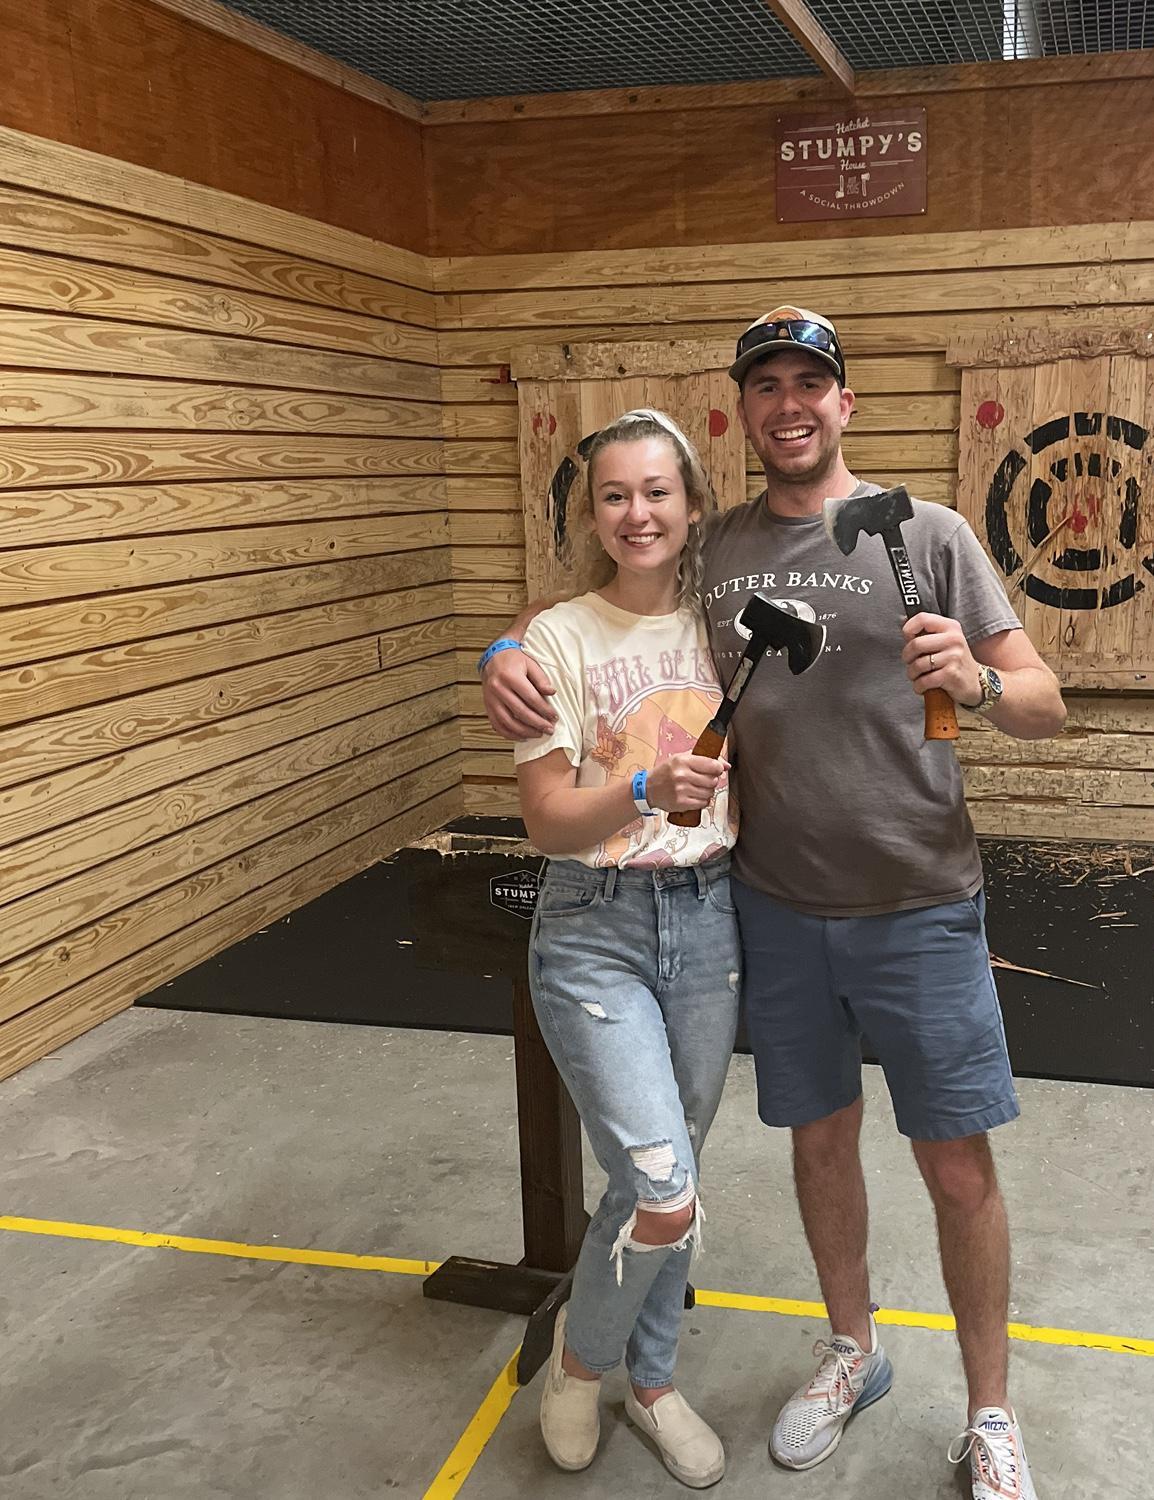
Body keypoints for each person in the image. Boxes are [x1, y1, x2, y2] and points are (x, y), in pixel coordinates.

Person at [486, 311, 1067, 1500]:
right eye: (767, 387)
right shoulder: (718, 555)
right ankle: (851, 1353)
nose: (790, 404)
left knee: (957, 1168)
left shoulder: (929, 533)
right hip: (770, 910)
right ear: (742, 415)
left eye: (814, 382)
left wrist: (980, 683)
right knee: (821, 1146)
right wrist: (506, 650)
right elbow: (612, 601)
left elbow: (1045, 697)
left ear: (846, 403)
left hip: (918, 902)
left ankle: (993, 1412)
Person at [510, 408, 739, 1490]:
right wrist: (645, 787)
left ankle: (652, 1385)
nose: (637, 512)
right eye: (614, 494)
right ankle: (582, 1364)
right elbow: (549, 822)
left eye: (658, 491)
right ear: (591, 511)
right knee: (661, 1187)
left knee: (670, 1177)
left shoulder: (728, 623)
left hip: (710, 918)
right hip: (593, 924)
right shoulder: (556, 638)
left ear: (694, 505)